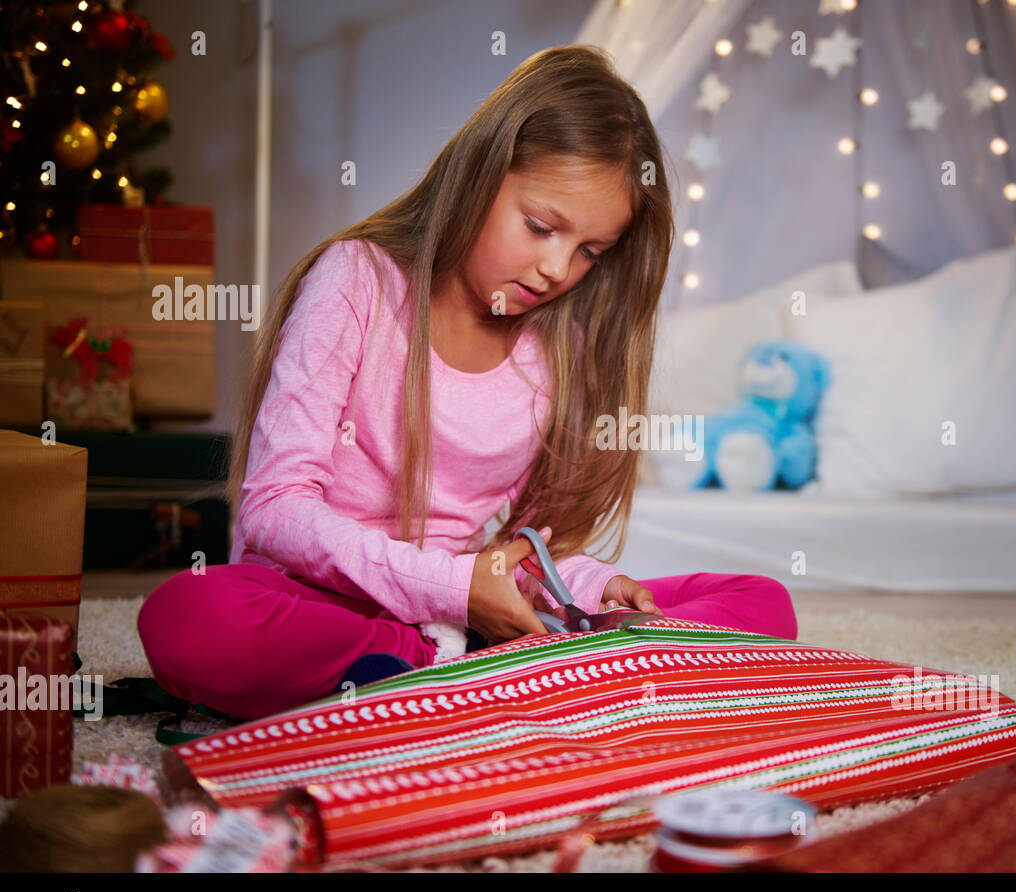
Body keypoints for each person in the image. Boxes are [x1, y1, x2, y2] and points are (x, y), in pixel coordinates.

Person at [137, 45, 797, 722]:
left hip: (476, 608)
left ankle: (499, 662)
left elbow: (532, 550)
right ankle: (448, 664)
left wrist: (598, 589)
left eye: (590, 252)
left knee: (763, 601)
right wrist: (453, 589)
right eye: (541, 227)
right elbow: (273, 511)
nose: (556, 269)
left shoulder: (559, 347)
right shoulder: (356, 280)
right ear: (481, 170)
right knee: (188, 617)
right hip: (326, 600)